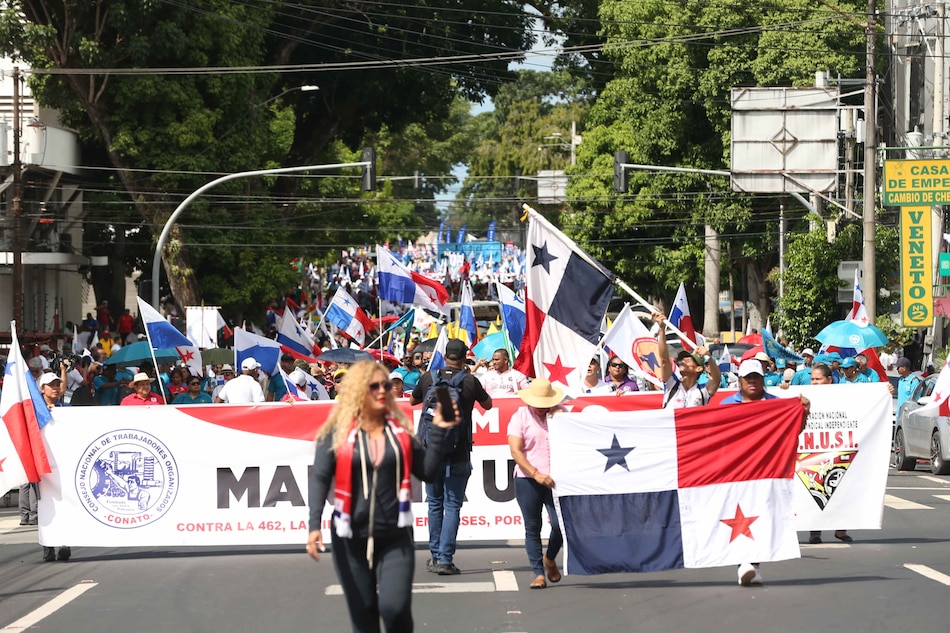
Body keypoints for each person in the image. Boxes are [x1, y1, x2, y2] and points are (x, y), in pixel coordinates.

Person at [306, 361, 459, 633]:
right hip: (349, 538)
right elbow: (319, 477)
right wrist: (314, 526)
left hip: (395, 537)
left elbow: (428, 472)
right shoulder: (336, 433)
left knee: (393, 608)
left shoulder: (399, 433)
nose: (382, 391)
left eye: (386, 386)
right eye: (373, 386)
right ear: (356, 391)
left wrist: (438, 431)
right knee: (364, 618)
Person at [722, 359, 810, 587]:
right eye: (747, 377)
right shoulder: (726, 405)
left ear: (763, 380)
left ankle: (753, 565)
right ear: (740, 381)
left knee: (760, 515)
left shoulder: (777, 405)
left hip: (766, 470)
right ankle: (744, 563)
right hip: (736, 470)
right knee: (739, 516)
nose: (752, 381)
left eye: (756, 377)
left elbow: (794, 431)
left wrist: (804, 413)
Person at [410, 339, 492, 575]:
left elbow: (413, 400)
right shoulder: (469, 381)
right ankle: (445, 559)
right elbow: (488, 405)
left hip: (430, 451)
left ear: (444, 356)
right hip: (458, 450)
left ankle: (435, 556)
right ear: (464, 357)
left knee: (434, 504)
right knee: (453, 505)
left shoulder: (429, 378)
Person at [507, 378, 565, 589]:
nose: (541, 409)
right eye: (537, 405)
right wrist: (535, 473)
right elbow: (515, 450)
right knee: (532, 527)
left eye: (545, 404)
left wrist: (562, 420)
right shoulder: (520, 417)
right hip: (527, 479)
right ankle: (538, 573)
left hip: (557, 479)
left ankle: (549, 557)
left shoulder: (560, 414)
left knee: (560, 525)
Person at [807, 363, 852, 545]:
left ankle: (840, 530)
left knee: (841, 488)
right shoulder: (804, 396)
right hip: (813, 451)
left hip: (838, 448)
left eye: (818, 379)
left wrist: (885, 390)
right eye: (812, 379)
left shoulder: (842, 395)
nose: (814, 383)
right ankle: (814, 532)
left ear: (829, 380)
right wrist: (785, 389)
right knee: (814, 489)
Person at [36, 372, 72, 562]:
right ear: (42, 389)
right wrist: (44, 413)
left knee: (66, 503)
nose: (56, 388)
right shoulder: (33, 410)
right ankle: (48, 546)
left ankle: (65, 543)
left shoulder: (66, 409)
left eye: (58, 384)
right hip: (43, 466)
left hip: (63, 464)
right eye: (51, 385)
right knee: (47, 506)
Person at [654, 313, 720, 407]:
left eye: (688, 360)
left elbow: (717, 379)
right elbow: (664, 360)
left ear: (699, 369)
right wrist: (661, 329)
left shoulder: (703, 390)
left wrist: (708, 357)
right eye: (682, 360)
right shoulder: (671, 384)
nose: (683, 361)